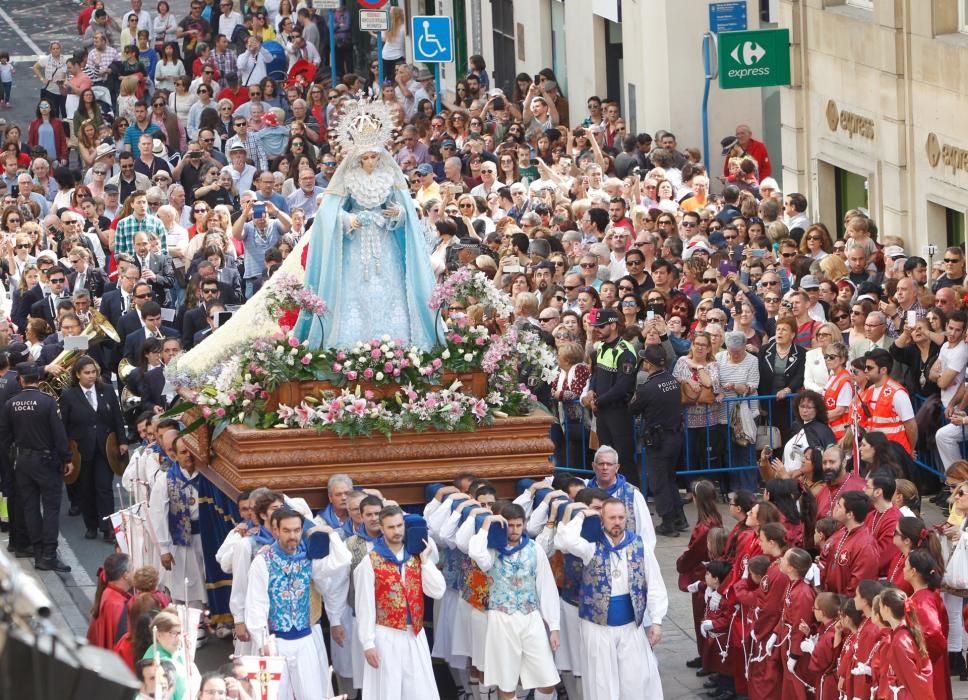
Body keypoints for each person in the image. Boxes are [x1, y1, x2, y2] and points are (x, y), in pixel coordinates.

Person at [294, 96, 440, 351]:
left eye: (374, 156)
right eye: (366, 158)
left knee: (391, 294)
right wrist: (349, 219)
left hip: (385, 245)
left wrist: (399, 216)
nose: (371, 162)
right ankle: (351, 350)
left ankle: (396, 348)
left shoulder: (389, 175)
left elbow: (405, 210)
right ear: (358, 157)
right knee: (354, 296)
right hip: (355, 245)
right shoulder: (348, 176)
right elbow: (329, 213)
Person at [556, 497, 666, 699]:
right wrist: (581, 515)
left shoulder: (639, 546)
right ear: (602, 519)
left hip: (630, 626)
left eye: (621, 517)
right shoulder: (590, 547)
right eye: (612, 517)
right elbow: (564, 540)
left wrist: (656, 621)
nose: (617, 522)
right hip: (598, 628)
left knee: (635, 682)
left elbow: (656, 586)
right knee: (602, 685)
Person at [245, 505, 350, 700]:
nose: (292, 535)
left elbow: (342, 561)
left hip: (305, 639)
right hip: (275, 641)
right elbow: (256, 605)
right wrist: (262, 643)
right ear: (275, 531)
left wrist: (331, 534)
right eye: (286, 530)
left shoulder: (309, 558)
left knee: (312, 694)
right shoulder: (263, 561)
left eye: (296, 530)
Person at [469, 504, 561, 700]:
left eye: (518, 525)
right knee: (506, 682)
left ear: (524, 524)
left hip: (530, 616)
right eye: (510, 525)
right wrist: (487, 524)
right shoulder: (492, 550)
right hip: (501, 618)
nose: (514, 530)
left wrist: (553, 626)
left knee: (547, 680)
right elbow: (476, 553)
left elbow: (546, 587)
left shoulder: (535, 549)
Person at [354, 505, 445, 699]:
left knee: (420, 691)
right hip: (386, 635)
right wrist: (368, 643)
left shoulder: (416, 557)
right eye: (391, 527)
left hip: (415, 634)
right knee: (389, 690)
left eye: (399, 526)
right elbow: (365, 606)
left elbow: (437, 591)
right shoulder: (370, 561)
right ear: (381, 528)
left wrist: (426, 562)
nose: (396, 531)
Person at [0, 362, 73, 571]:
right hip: (46, 461)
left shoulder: (11, 404)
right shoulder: (48, 402)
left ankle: (39, 552)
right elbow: (59, 435)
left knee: (30, 506)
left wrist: (11, 460)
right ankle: (49, 554)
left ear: (20, 380)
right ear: (37, 380)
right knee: (51, 508)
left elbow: (4, 437)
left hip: (22, 461)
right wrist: (67, 458)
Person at [59, 355, 127, 541]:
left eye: (94, 372)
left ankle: (108, 528)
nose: (91, 376)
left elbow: (117, 417)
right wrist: (66, 453)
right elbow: (63, 426)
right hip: (81, 451)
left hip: (105, 448)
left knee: (104, 488)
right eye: (87, 373)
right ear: (78, 375)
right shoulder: (68, 396)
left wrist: (122, 441)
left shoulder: (106, 390)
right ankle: (91, 525)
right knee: (86, 489)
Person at [630, 344, 685, 536]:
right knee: (670, 478)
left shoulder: (647, 388)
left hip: (658, 440)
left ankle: (668, 523)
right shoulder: (672, 380)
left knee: (659, 481)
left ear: (648, 363)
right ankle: (679, 518)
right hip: (675, 436)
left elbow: (632, 409)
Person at [582, 308, 638, 484]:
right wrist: (591, 391)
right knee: (606, 455)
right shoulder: (601, 347)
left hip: (618, 412)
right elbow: (596, 373)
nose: (596, 330)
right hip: (602, 411)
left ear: (613, 325)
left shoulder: (625, 351)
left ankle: (632, 497)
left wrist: (599, 400)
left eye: (601, 326)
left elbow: (623, 386)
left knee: (623, 458)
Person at [819, 491, 878, 596]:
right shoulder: (840, 533)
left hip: (845, 605)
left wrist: (842, 604)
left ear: (850, 514)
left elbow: (858, 584)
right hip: (830, 600)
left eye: (840, 506)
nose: (835, 508)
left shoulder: (866, 545)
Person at [860, 348, 917, 455]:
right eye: (865, 367)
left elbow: (911, 426)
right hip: (877, 453)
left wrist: (910, 450)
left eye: (869, 368)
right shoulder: (869, 391)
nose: (865, 370)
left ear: (883, 370)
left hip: (895, 453)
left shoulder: (898, 393)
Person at [86, 552, 133, 649]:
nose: (135, 572)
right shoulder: (118, 605)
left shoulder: (108, 593)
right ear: (125, 575)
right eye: (132, 569)